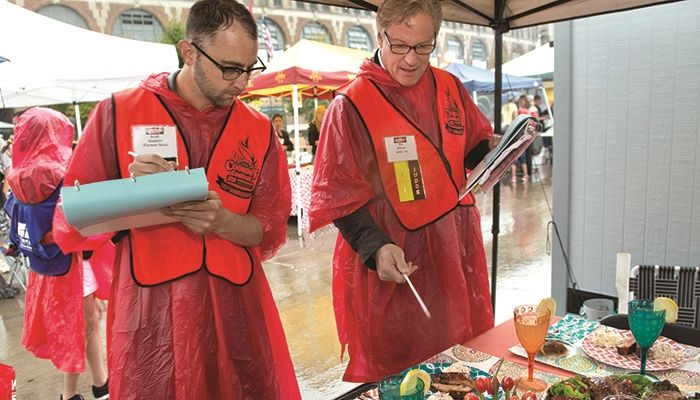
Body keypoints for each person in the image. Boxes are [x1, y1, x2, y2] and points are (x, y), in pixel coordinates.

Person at [53, 0, 300, 398]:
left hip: (237, 305)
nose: (242, 83)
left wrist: (222, 222)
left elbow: (268, 227)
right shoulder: (117, 113)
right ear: (188, 51)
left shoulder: (258, 131)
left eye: (250, 68)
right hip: (152, 313)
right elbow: (72, 218)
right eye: (230, 69)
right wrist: (130, 192)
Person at [308, 0, 495, 382]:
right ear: (380, 36)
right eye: (400, 46)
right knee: (402, 375)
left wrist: (498, 152)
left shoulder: (448, 86)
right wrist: (375, 247)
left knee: (457, 369)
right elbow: (338, 196)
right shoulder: (350, 105)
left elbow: (470, 145)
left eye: (423, 47)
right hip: (395, 261)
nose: (411, 60)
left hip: (455, 254)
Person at [6, 107, 110, 400]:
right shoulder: (57, 170)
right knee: (81, 324)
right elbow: (80, 214)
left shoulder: (19, 172)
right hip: (71, 259)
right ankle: (71, 393)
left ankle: (100, 382)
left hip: (46, 262)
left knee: (90, 317)